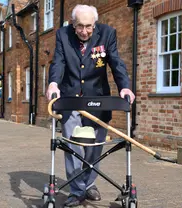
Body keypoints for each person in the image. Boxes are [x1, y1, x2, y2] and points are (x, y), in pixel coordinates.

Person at [46, 4, 135, 207]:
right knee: (73, 145)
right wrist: (53, 83)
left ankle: (89, 185)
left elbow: (116, 62)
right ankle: (77, 191)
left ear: (95, 24)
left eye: (88, 26)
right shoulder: (62, 35)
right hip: (70, 98)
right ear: (72, 23)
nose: (84, 31)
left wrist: (125, 88)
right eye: (79, 26)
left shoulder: (108, 33)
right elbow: (58, 62)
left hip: (98, 97)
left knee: (95, 147)